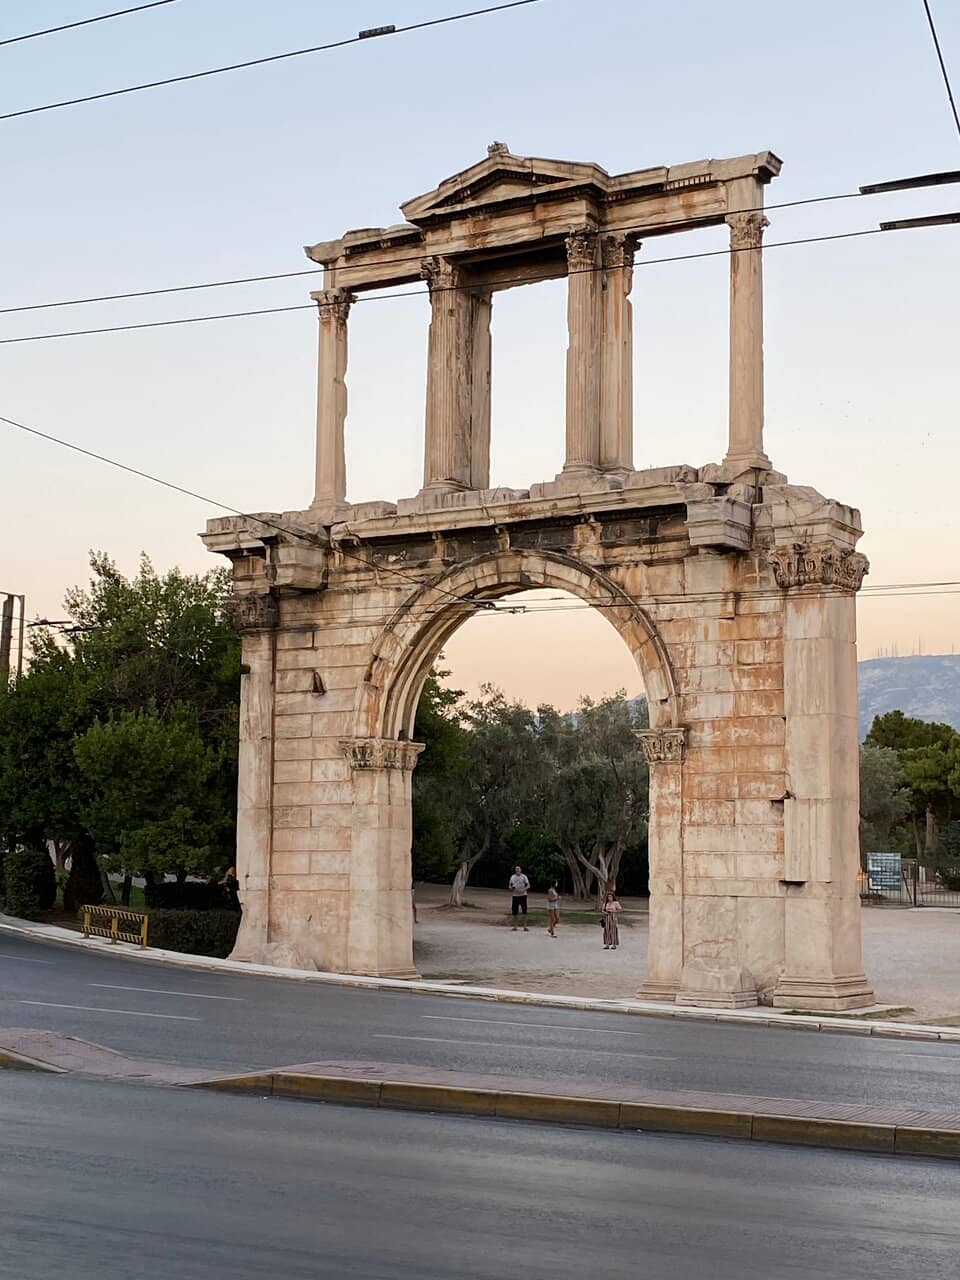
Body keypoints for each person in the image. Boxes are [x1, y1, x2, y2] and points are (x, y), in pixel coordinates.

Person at [508, 865, 530, 931]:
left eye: (519, 869)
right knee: (515, 911)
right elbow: (509, 886)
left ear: (521, 870)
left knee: (524, 911)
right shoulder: (512, 877)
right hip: (515, 896)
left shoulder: (524, 876)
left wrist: (524, 889)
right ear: (515, 870)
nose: (517, 870)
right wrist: (512, 888)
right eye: (516, 869)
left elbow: (528, 885)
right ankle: (515, 926)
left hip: (523, 895)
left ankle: (525, 926)